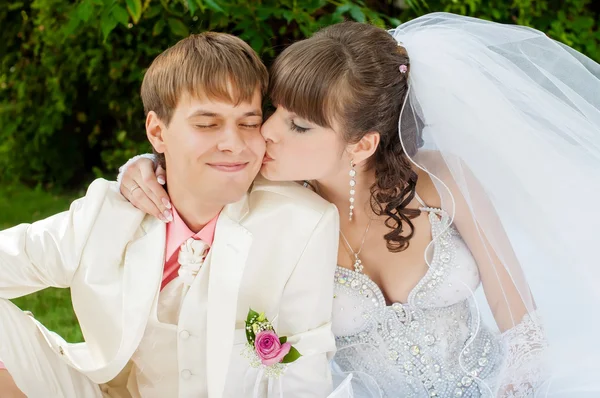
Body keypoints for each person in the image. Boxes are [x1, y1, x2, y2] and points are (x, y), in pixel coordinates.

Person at [121, 13, 600, 397]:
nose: (267, 131)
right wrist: (144, 164)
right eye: (276, 110)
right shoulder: (266, 198)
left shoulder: (441, 180)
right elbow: (192, 170)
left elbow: (523, 327)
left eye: (299, 125)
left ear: (362, 145)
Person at [0, 32, 341, 397]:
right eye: (207, 123)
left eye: (248, 122)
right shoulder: (108, 213)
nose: (233, 143)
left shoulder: (300, 221)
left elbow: (303, 371)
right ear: (157, 132)